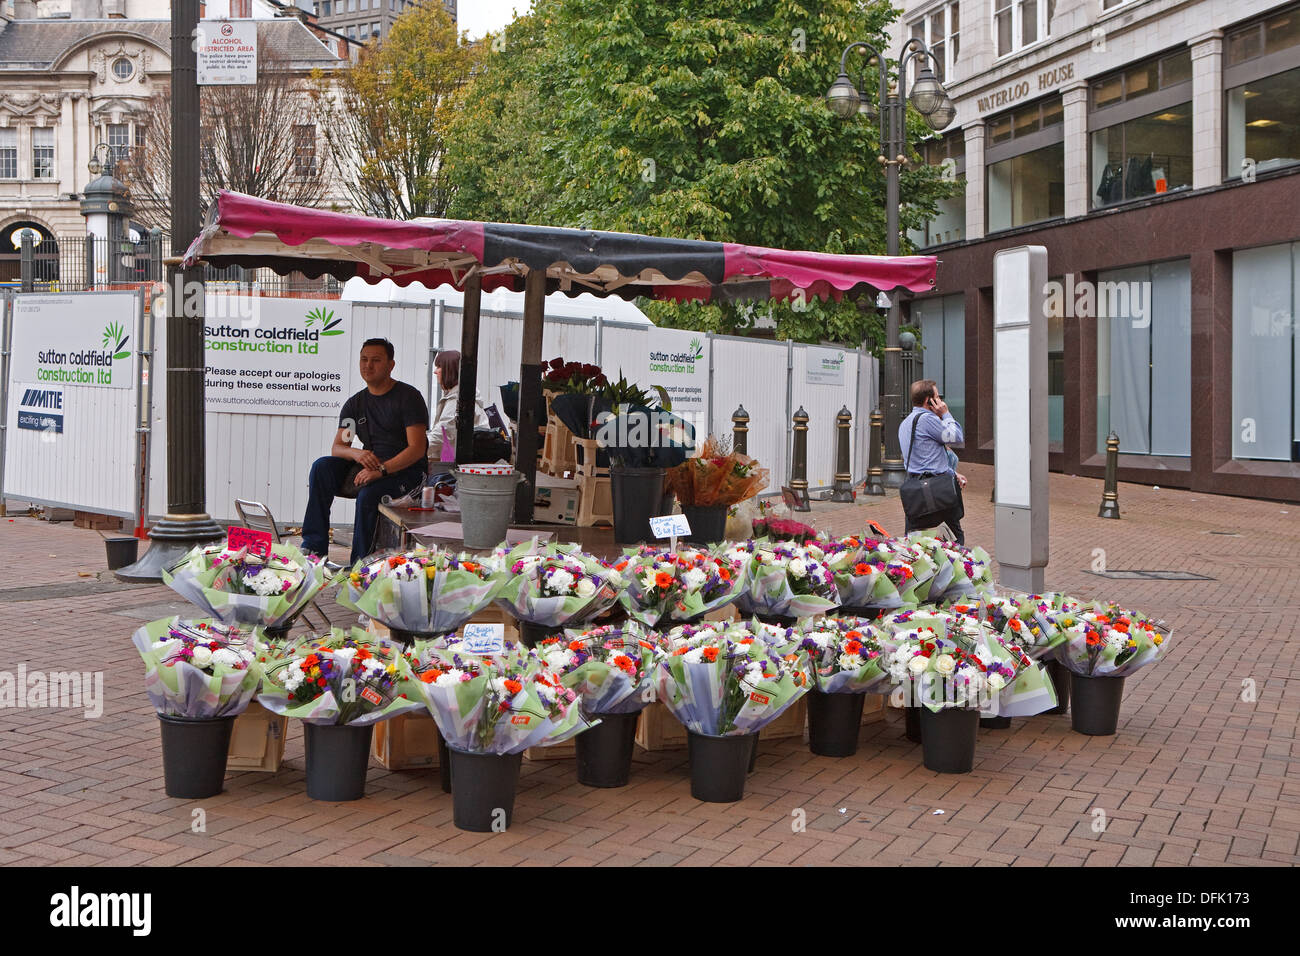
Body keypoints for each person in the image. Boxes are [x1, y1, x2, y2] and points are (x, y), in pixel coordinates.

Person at [302, 338, 429, 565]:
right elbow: (339, 447)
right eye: (364, 359)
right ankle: (313, 551)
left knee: (368, 495)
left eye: (376, 360)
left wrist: (381, 469)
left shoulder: (409, 397)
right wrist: (358, 455)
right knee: (321, 467)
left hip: (407, 473)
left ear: (391, 365)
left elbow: (417, 448)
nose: (368, 365)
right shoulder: (355, 404)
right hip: (371, 467)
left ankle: (360, 565)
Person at [898, 379, 966, 544]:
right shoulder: (927, 419)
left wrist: (953, 473)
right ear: (929, 401)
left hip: (916, 490)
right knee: (954, 540)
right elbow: (957, 437)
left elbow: (925, 459)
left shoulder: (905, 423)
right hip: (935, 490)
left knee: (916, 543)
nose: (941, 401)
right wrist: (945, 414)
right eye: (938, 397)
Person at [427, 349, 488, 469]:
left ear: (450, 370)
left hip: (467, 467)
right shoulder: (459, 396)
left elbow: (441, 434)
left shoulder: (458, 401)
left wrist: (415, 451)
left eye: (439, 367)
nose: (435, 372)